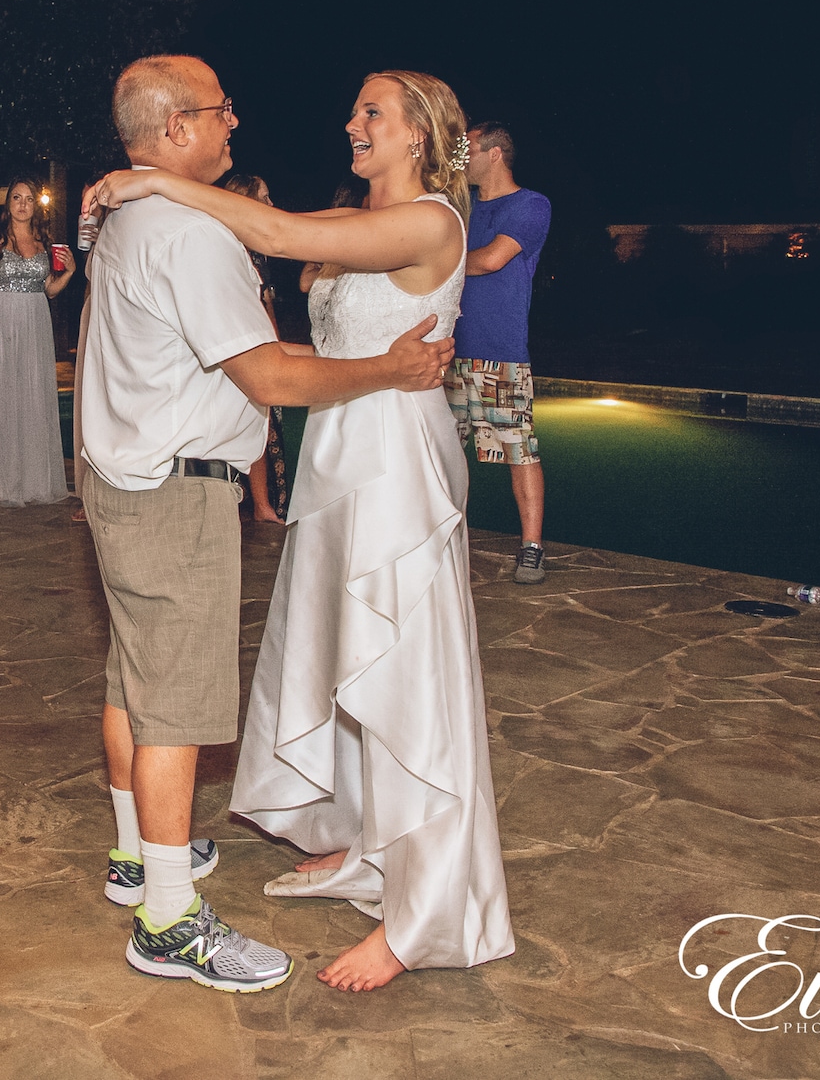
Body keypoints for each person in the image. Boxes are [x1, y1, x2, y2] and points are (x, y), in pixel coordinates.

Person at [90, 69, 517, 993]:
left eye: (373, 113)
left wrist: (158, 178)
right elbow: (291, 291)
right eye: (356, 107)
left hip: (397, 461)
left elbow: (276, 236)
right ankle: (372, 850)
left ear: (418, 135)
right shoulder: (353, 220)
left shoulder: (436, 221)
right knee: (346, 660)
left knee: (408, 673)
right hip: (338, 458)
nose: (352, 122)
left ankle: (424, 912)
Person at [447, 121, 552, 583]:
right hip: (447, 351)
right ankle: (441, 540)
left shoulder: (530, 204)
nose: (459, 157)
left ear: (494, 153)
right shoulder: (459, 207)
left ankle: (531, 548)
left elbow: (491, 259)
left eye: (466, 149)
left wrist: (438, 263)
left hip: (500, 356)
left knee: (518, 450)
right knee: (442, 451)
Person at [0, 177, 76, 506]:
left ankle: (33, 483)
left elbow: (49, 290)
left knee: (32, 398)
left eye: (29, 199)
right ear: (8, 203)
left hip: (35, 323)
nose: (22, 204)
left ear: (35, 206)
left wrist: (68, 273)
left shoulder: (44, 242)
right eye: (17, 197)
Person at [219, 173, 288, 525]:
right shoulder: (227, 249)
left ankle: (261, 503)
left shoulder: (257, 253)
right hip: (232, 349)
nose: (271, 204)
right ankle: (247, 500)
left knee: (262, 424)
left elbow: (267, 303)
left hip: (260, 344)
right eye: (265, 196)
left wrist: (277, 346)